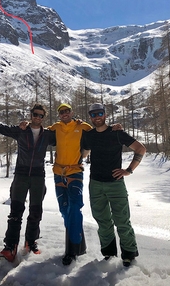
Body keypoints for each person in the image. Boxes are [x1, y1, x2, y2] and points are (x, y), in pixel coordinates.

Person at [0, 96, 55, 262]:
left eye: (41, 115)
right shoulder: (21, 130)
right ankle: (10, 246)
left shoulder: (48, 135)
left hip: (38, 176)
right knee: (15, 213)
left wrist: (77, 125)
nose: (38, 117)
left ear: (44, 118)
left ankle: (30, 243)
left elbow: (67, 137)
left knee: (35, 212)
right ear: (31, 114)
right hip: (20, 175)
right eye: (35, 114)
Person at [80, 103, 146, 267]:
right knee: (103, 221)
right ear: (90, 117)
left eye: (100, 113)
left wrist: (129, 170)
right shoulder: (89, 136)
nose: (97, 117)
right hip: (95, 183)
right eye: (94, 114)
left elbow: (140, 149)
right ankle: (109, 254)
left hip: (115, 184)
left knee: (122, 221)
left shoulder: (117, 133)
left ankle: (129, 255)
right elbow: (83, 154)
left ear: (105, 115)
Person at [49, 103, 92, 265]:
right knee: (64, 209)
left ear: (72, 112)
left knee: (75, 206)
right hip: (58, 172)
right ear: (59, 114)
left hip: (75, 172)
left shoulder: (82, 126)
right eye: (61, 112)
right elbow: (41, 132)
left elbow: (97, 134)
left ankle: (72, 250)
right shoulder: (56, 127)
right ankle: (79, 244)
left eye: (67, 111)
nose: (65, 114)